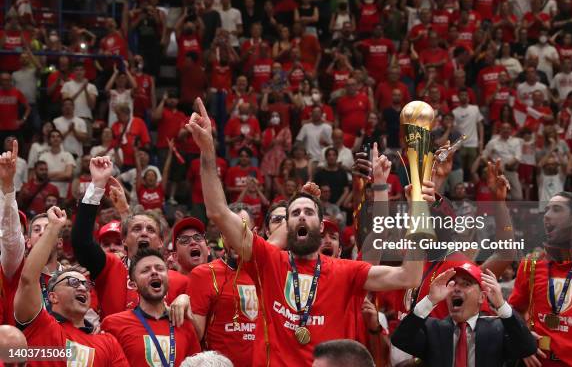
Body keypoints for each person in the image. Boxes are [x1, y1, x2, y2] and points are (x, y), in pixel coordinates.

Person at [185, 98, 424, 367]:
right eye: (295, 212)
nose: (301, 215)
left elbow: (410, 275)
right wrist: (207, 149)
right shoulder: (268, 262)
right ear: (287, 227)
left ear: (321, 227)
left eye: (309, 212)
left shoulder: (344, 271)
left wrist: (417, 211)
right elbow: (217, 211)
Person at [71, 157, 188, 318]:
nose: (144, 232)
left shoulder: (180, 281)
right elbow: (81, 242)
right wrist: (97, 186)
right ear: (124, 240)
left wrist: (185, 297)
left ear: (161, 241)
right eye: (137, 229)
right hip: (115, 342)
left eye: (151, 230)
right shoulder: (111, 267)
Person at [13, 206, 129, 366]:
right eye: (73, 282)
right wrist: (52, 227)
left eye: (85, 284)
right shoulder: (41, 326)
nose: (82, 287)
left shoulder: (108, 342)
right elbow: (28, 280)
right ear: (52, 297)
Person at [509, 192, 572, 367]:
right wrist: (522, 339)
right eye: (546, 210)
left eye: (556, 209)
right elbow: (514, 311)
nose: (547, 215)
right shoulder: (531, 264)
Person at [391, 265, 537, 366]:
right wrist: (430, 300)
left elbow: (528, 347)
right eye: (453, 284)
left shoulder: (498, 329)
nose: (456, 289)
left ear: (482, 297)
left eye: (466, 284)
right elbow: (399, 339)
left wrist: (501, 305)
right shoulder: (432, 328)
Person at [100, 248, 201, 367]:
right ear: (133, 285)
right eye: (145, 270)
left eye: (160, 268)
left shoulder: (183, 324)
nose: (154, 272)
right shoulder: (113, 324)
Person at [188, 204, 259, 367]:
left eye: (242, 231)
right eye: (229, 231)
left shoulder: (266, 272)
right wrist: (183, 300)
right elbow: (194, 335)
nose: (235, 238)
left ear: (254, 233)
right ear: (221, 235)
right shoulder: (203, 274)